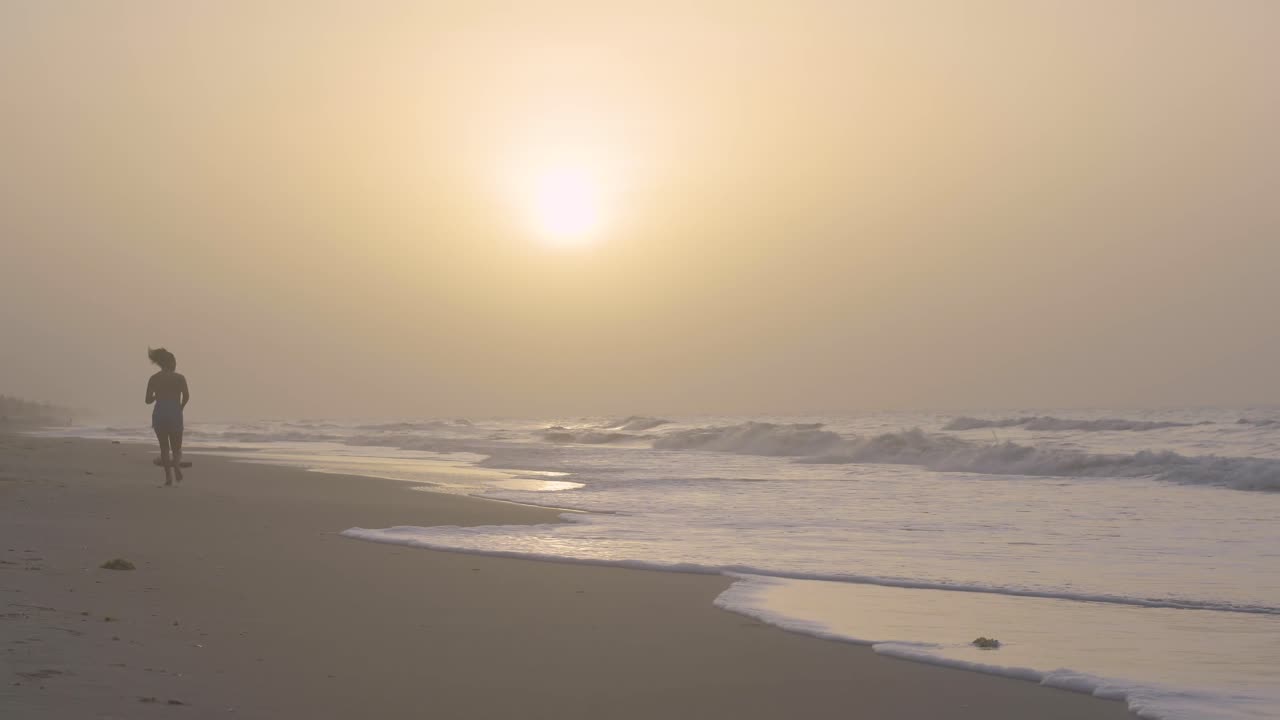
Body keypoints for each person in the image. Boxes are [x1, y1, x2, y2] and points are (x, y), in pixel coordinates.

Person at [145, 347, 190, 486]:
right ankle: (176, 466)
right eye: (175, 362)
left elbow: (147, 400)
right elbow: (187, 396)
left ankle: (168, 478)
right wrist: (180, 408)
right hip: (174, 413)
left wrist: (156, 396)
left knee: (164, 447)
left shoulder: (154, 378)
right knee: (176, 448)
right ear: (170, 363)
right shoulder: (180, 378)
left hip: (160, 413)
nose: (176, 364)